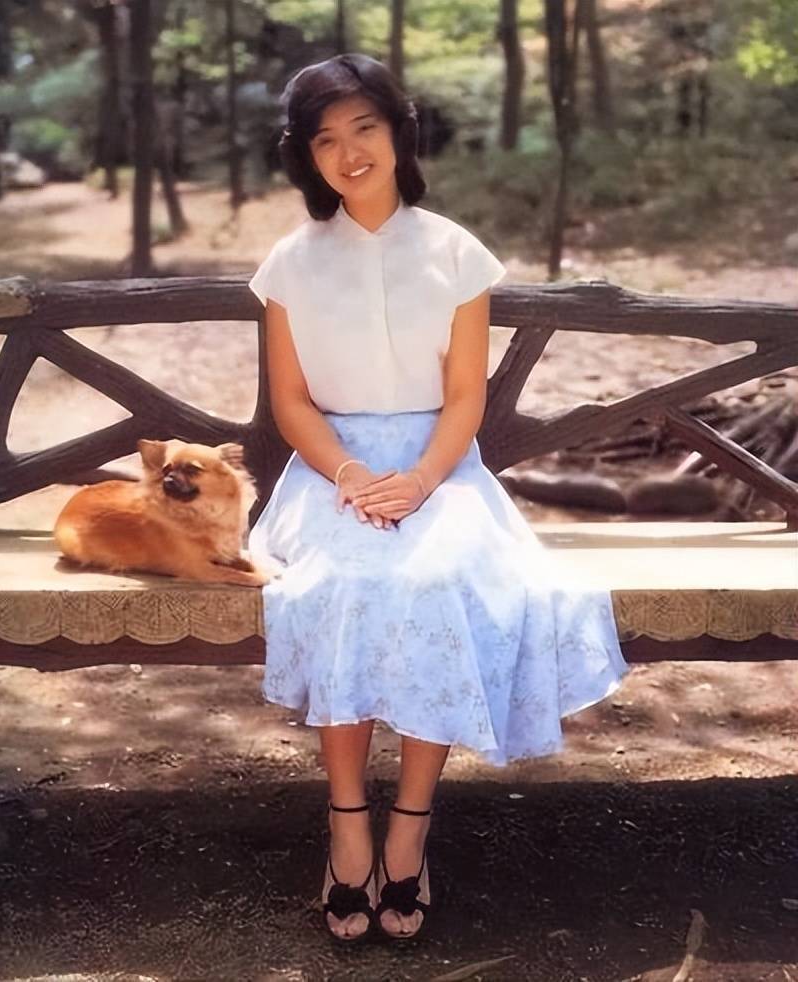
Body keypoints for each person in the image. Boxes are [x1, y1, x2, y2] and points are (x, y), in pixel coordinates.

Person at [246, 53, 629, 944]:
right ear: (305, 156)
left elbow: (464, 399)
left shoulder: (456, 254)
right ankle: (347, 823)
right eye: (326, 139)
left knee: (438, 582)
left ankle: (410, 828)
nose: (349, 153)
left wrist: (420, 480)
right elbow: (291, 403)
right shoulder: (289, 264)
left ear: (398, 132)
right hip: (330, 471)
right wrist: (350, 476)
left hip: (442, 469)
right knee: (341, 586)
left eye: (365, 128)